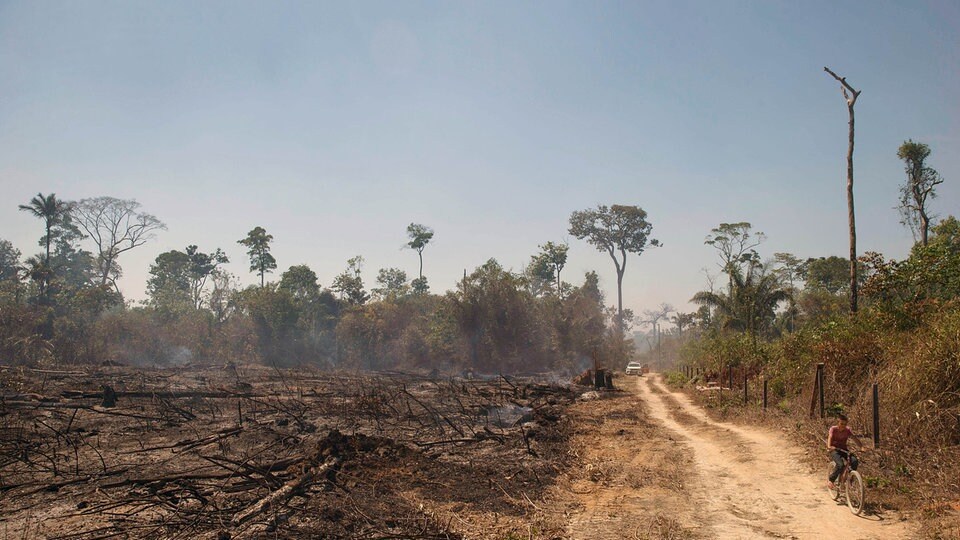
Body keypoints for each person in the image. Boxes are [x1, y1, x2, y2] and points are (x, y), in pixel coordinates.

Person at [827, 413, 864, 488]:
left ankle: (849, 479)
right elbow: (830, 437)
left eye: (845, 424)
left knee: (854, 461)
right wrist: (829, 446)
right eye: (841, 423)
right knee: (840, 464)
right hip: (835, 449)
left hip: (843, 449)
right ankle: (831, 480)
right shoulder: (833, 429)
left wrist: (861, 447)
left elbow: (854, 438)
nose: (843, 426)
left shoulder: (847, 430)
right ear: (838, 423)